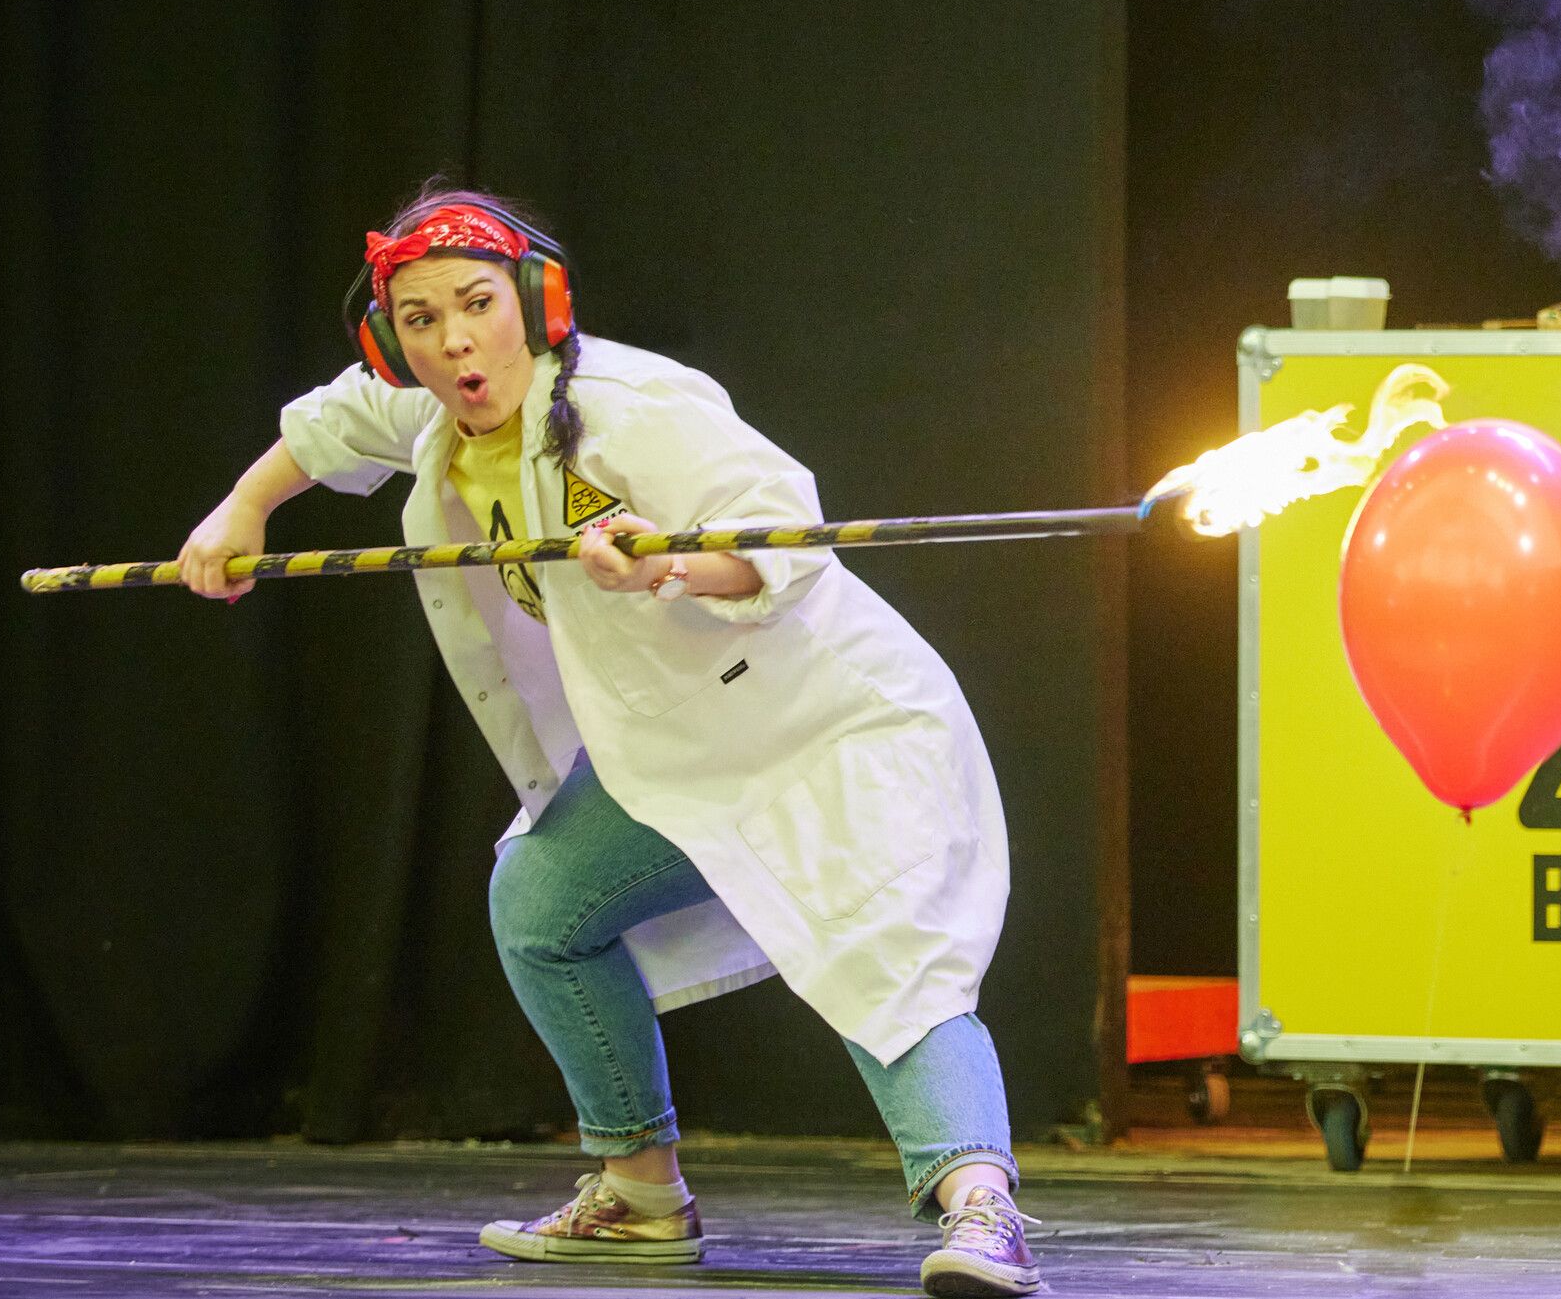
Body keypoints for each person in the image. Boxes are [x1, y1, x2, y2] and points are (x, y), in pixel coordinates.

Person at [177, 187, 1042, 1296]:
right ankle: (639, 1197)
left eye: (476, 305)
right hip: (683, 749)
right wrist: (241, 511)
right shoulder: (430, 414)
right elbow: (327, 426)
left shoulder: (634, 406)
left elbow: (787, 537)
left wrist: (673, 562)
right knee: (541, 905)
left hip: (827, 726)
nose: (451, 343)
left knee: (883, 957)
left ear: (535, 301)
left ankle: (981, 1217)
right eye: (420, 320)